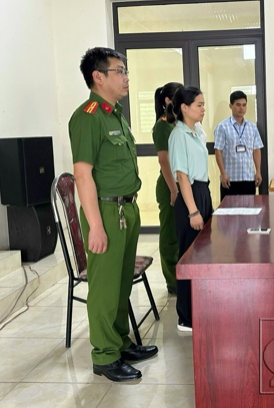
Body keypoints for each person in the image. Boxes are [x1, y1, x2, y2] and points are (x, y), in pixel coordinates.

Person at [68, 47, 158, 382]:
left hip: (125, 208)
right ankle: (105, 356)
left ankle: (119, 342)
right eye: (119, 71)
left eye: (125, 71)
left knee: (121, 284)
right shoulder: (88, 116)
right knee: (105, 287)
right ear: (98, 76)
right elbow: (82, 175)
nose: (126, 77)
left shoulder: (115, 114)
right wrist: (95, 226)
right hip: (105, 211)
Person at [168, 86, 213, 332]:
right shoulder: (178, 135)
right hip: (190, 198)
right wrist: (193, 211)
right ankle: (185, 316)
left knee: (203, 254)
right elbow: (182, 176)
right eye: (199, 104)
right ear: (184, 108)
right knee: (188, 257)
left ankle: (200, 307)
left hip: (202, 192)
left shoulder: (197, 132)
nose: (203, 108)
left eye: (203, 104)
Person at [152, 82, 183, 295]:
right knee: (170, 235)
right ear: (167, 100)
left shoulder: (176, 123)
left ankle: (181, 275)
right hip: (169, 184)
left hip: (181, 183)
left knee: (180, 234)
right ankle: (172, 280)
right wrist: (173, 190)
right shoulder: (162, 125)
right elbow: (164, 161)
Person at [214, 91, 264, 201]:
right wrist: (223, 174)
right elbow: (218, 152)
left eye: (244, 105)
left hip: (248, 178)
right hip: (230, 179)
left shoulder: (252, 127)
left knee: (249, 209)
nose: (241, 108)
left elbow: (256, 150)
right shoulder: (222, 127)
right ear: (230, 106)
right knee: (229, 210)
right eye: (238, 105)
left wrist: (258, 172)